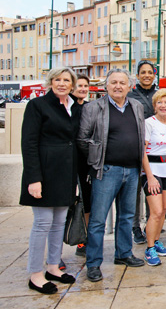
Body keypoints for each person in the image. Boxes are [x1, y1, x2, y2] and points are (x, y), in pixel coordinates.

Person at [78, 69, 146, 282]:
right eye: (114, 82)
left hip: (133, 170)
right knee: (98, 220)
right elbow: (83, 139)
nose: (118, 86)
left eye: (122, 83)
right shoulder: (94, 107)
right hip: (106, 171)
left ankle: (124, 254)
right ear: (106, 86)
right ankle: (93, 263)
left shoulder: (136, 106)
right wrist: (99, 155)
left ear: (129, 86)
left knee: (126, 216)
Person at [21, 67, 80, 294]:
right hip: (44, 174)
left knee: (58, 224)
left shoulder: (73, 106)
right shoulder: (38, 106)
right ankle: (36, 274)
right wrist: (34, 179)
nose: (62, 83)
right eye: (58, 79)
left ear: (72, 84)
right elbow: (29, 144)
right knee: (42, 224)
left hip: (65, 174)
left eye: (66, 80)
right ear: (51, 82)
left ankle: (53, 267)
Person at [141, 89, 166, 266]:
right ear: (154, 105)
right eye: (160, 102)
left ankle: (156, 241)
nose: (163, 106)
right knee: (155, 212)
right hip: (153, 171)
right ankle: (149, 248)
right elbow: (142, 151)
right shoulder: (148, 123)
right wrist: (150, 176)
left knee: (164, 209)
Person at [128, 60, 158, 245]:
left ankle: (151, 223)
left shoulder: (159, 94)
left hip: (154, 149)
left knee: (151, 188)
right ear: (137, 75)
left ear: (154, 75)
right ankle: (134, 227)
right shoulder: (130, 95)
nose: (147, 75)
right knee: (134, 192)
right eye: (143, 72)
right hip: (133, 147)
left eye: (150, 72)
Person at [72, 73, 91, 258]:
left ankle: (84, 239)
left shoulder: (89, 107)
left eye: (85, 86)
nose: (83, 89)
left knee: (87, 202)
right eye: (79, 85)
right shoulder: (66, 107)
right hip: (69, 160)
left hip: (86, 161)